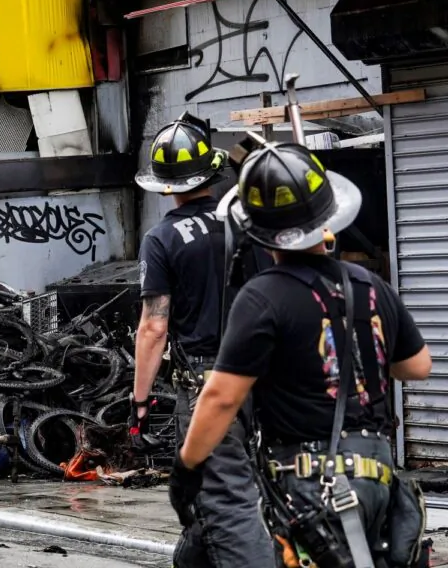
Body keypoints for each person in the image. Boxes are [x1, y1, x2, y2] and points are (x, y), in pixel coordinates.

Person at [172, 142, 432, 568]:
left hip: (309, 486)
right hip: (379, 480)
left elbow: (221, 398)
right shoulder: (369, 286)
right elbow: (417, 366)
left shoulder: (261, 297)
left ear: (253, 229)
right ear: (328, 217)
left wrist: (187, 467)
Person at [131, 113, 276, 567]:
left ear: (164, 186)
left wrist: (139, 403)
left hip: (207, 384)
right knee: (261, 483)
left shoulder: (161, 239)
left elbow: (154, 326)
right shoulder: (247, 225)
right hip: (266, 375)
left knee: (221, 493)